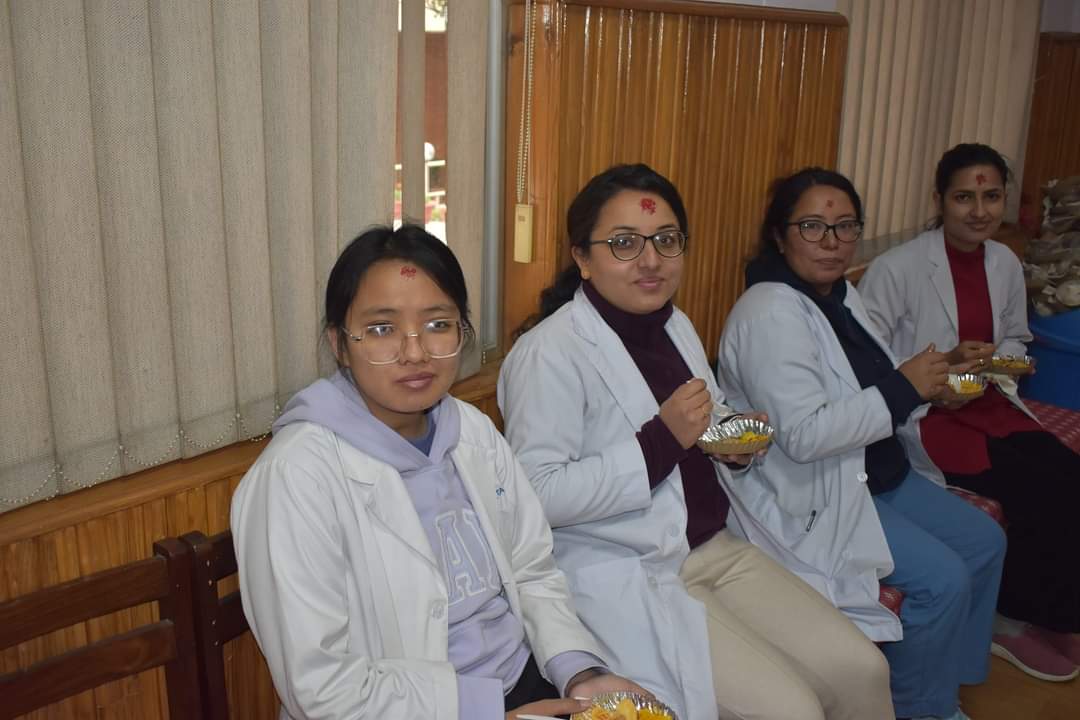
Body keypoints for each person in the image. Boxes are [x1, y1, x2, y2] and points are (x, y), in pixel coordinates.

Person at [498, 164, 893, 720]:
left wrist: (732, 440)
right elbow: (537, 496)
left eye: (666, 240)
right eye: (624, 243)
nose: (651, 260)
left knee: (864, 669)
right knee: (793, 710)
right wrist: (661, 440)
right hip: (629, 568)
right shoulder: (547, 354)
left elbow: (703, 414)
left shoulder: (674, 323)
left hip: (717, 548)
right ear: (582, 258)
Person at [231, 225, 647, 720]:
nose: (415, 352)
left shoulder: (470, 430)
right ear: (340, 344)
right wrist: (483, 711)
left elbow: (532, 570)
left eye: (437, 324)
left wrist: (579, 671)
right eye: (382, 329)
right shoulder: (295, 477)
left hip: (524, 681)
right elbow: (320, 687)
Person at [716, 167, 1007, 720]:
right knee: (942, 580)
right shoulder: (768, 311)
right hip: (819, 492)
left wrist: (938, 379)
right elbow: (804, 436)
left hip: (878, 473)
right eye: (812, 227)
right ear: (779, 235)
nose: (832, 242)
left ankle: (950, 680)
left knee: (985, 542)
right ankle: (922, 709)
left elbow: (879, 378)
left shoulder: (841, 293)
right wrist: (905, 388)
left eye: (845, 226)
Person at [860, 142, 1080, 682]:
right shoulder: (896, 269)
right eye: (964, 197)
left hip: (989, 403)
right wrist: (943, 371)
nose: (979, 211)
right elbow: (867, 363)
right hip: (928, 421)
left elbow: (1017, 339)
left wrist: (998, 363)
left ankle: (1053, 613)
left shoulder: (1003, 262)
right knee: (1034, 488)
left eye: (991, 197)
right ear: (939, 200)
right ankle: (1010, 619)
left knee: (1068, 473)